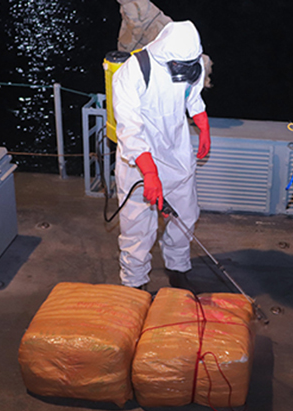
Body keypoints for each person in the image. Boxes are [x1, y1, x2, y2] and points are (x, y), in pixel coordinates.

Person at [112, 20, 211, 292]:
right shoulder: (132, 72)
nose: (188, 71)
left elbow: (192, 96)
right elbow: (129, 129)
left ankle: (177, 268)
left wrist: (203, 125)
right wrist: (150, 173)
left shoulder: (191, 64)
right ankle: (135, 283)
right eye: (182, 66)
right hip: (139, 163)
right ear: (166, 55)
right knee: (137, 228)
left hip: (177, 155)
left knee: (185, 216)